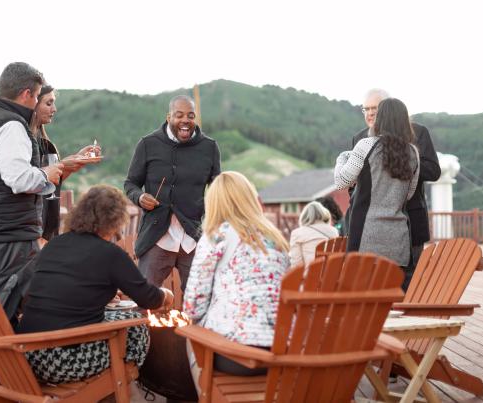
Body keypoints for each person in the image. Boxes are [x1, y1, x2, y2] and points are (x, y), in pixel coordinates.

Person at [0, 62, 61, 386]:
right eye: (37, 97)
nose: (37, 104)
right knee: (4, 315)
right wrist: (48, 176)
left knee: (6, 310)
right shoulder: (11, 124)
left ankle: (15, 382)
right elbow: (18, 178)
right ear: (26, 94)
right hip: (10, 235)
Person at [17, 185, 174, 383]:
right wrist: (166, 295)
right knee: (136, 326)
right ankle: (121, 384)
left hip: (27, 356)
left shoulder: (55, 244)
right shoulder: (110, 253)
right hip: (63, 361)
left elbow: (54, 289)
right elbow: (149, 298)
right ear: (116, 220)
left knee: (112, 316)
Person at [183, 171, 290, 388]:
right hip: (281, 351)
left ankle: (206, 396)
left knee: (190, 336)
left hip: (237, 355)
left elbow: (192, 307)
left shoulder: (215, 236)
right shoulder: (275, 238)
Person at [124, 95, 221, 290]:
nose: (186, 120)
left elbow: (218, 189)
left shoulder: (209, 147)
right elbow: (130, 184)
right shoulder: (147, 144)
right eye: (179, 115)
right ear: (169, 118)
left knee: (198, 301)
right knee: (145, 300)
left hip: (194, 238)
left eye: (191, 115)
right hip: (156, 237)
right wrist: (140, 197)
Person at [349, 89, 441, 273]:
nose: (370, 113)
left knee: (407, 285)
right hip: (366, 226)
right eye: (365, 109)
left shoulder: (419, 132)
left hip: (409, 222)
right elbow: (353, 181)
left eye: (375, 108)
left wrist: (400, 164)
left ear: (387, 108)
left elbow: (433, 171)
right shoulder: (360, 139)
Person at [335, 98, 420, 289]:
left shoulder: (366, 145)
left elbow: (342, 181)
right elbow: (408, 194)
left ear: (381, 118)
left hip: (366, 234)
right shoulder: (413, 153)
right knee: (393, 297)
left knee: (362, 298)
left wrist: (341, 159)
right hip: (398, 238)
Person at [29, 85, 101, 241]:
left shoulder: (46, 144)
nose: (54, 109)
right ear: (33, 103)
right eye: (48, 103)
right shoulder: (24, 143)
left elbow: (53, 181)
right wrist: (63, 165)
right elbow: (29, 181)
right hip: (32, 228)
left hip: (47, 227)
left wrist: (76, 161)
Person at [289, 201, 339, 267]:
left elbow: (296, 264)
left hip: (309, 275)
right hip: (331, 274)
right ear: (323, 214)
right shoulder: (334, 231)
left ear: (304, 216)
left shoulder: (297, 233)